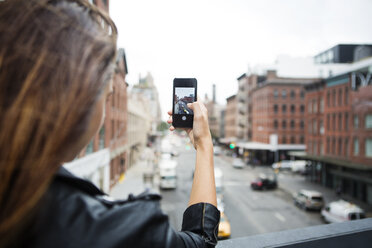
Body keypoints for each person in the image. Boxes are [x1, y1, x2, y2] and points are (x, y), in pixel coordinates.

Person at [0, 0, 220, 247]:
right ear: (78, 102)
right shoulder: (115, 229)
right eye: (105, 97)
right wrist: (204, 145)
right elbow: (200, 241)